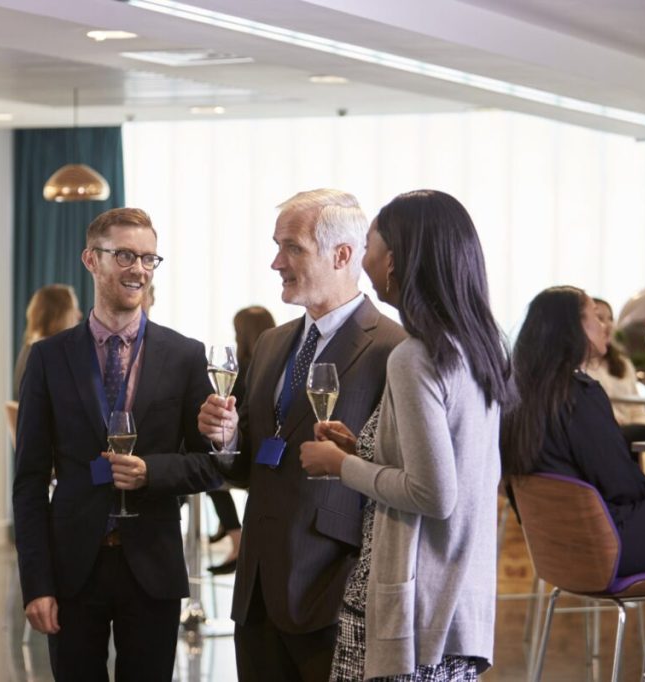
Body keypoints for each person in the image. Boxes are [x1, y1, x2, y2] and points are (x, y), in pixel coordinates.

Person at [299, 190, 512, 680]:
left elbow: (433, 494)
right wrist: (366, 449)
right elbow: (446, 466)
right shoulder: (475, 350)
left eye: (370, 244)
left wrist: (340, 466)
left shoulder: (415, 358)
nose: (364, 259)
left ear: (394, 260)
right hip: (459, 606)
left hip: (413, 611)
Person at [198, 189, 405, 681]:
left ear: (342, 255)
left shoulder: (395, 350)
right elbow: (250, 460)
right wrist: (226, 438)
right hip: (257, 588)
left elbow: (401, 475)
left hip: (334, 587)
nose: (276, 262)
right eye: (277, 246)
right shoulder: (271, 344)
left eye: (292, 247)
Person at [14, 207, 221, 681]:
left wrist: (152, 472)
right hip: (71, 570)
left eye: (149, 259)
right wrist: (36, 583)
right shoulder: (48, 358)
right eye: (125, 255)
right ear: (91, 259)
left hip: (153, 567)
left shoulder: (185, 355)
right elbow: (27, 481)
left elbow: (209, 467)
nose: (139, 269)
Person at [502, 286, 645, 577]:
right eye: (596, 317)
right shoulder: (579, 394)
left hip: (555, 551)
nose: (606, 328)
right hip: (609, 544)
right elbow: (623, 485)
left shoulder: (518, 395)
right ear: (574, 328)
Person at [207, 305, 277, 575]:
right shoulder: (277, 364)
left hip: (247, 456)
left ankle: (234, 537)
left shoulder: (242, 369)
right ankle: (229, 531)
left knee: (210, 474)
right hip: (270, 454)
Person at [584, 297, 645, 449]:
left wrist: (644, 427)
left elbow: (638, 408)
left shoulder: (623, 363)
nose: (607, 325)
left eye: (610, 319)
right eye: (599, 319)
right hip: (603, 433)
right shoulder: (577, 366)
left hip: (630, 432)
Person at [13, 284, 82, 398]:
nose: (79, 315)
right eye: (74, 309)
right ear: (59, 314)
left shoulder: (29, 348)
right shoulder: (47, 355)